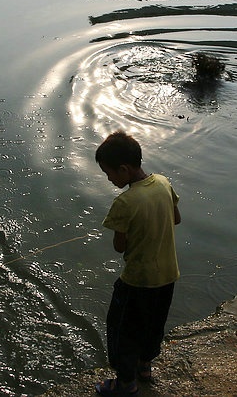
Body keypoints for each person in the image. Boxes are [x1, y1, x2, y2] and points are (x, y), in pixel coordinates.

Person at [95, 131, 181, 396]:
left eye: (109, 174)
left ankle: (126, 383)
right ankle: (145, 368)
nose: (109, 179)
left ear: (124, 169)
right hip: (167, 277)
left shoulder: (125, 201)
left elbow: (120, 246)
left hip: (137, 281)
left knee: (124, 331)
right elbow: (176, 218)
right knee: (154, 323)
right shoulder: (164, 183)